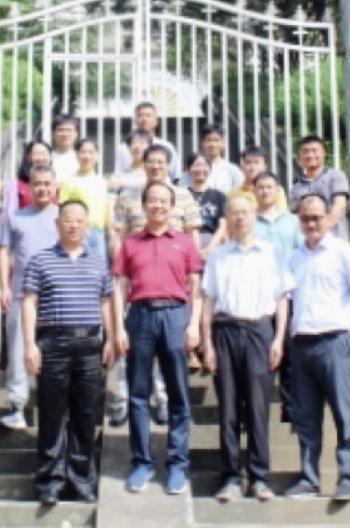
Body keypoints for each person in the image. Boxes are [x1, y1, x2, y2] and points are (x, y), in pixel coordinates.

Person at [22, 200, 117, 505]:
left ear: (87, 226)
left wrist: (112, 339)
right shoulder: (40, 260)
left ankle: (81, 480)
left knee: (85, 414)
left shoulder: (98, 262)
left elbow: (106, 303)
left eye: (79, 221)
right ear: (58, 223)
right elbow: (28, 304)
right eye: (68, 220)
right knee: (51, 413)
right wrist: (29, 344)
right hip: (53, 343)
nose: (73, 225)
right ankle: (50, 481)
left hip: (89, 345)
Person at [112, 182, 203, 496]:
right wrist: (119, 329)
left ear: (172, 206)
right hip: (139, 315)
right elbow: (120, 287)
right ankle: (142, 462)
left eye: (164, 201)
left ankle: (177, 464)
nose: (158, 206)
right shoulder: (131, 244)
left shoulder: (185, 242)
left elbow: (196, 287)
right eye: (153, 200)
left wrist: (193, 326)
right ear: (144, 204)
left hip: (175, 315)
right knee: (139, 394)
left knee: (178, 393)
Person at [201, 195, 292, 503]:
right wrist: (207, 345)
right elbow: (208, 301)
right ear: (226, 218)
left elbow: (282, 299)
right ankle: (229, 477)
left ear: (254, 216)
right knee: (227, 408)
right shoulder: (218, 256)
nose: (240, 218)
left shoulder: (272, 253)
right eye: (234, 213)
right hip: (225, 331)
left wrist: (279, 339)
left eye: (245, 212)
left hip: (259, 332)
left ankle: (259, 477)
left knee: (257, 407)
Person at [284, 195, 350, 503]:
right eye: (305, 218)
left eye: (317, 217)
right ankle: (309, 479)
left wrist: (346, 320)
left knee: (343, 414)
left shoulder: (344, 252)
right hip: (301, 344)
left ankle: (347, 477)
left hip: (334, 341)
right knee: (306, 418)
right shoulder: (294, 257)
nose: (311, 223)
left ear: (328, 219)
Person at [108, 145, 202, 427]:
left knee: (169, 354)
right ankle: (123, 401)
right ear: (143, 163)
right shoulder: (128, 196)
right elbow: (118, 234)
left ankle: (162, 400)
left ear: (169, 165)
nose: (156, 167)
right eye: (151, 162)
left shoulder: (182, 195)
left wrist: (189, 274)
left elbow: (192, 238)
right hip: (136, 275)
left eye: (161, 162)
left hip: (172, 279)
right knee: (130, 353)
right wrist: (120, 263)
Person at [0, 164, 60, 431]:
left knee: (55, 355)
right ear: (29, 187)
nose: (42, 188)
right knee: (19, 350)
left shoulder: (64, 216)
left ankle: (54, 410)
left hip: (57, 298)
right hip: (22, 293)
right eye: (37, 184)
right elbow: (3, 252)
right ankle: (17, 405)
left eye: (47, 183)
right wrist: (4, 286)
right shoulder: (15, 218)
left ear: (55, 187)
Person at [253, 170, 302, 423]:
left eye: (269, 187)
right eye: (260, 187)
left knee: (290, 355)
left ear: (278, 191)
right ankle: (256, 412)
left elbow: (301, 255)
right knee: (261, 356)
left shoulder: (292, 222)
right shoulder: (248, 221)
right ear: (254, 192)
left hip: (288, 295)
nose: (265, 192)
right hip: (257, 300)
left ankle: (290, 409)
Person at [288, 135, 350, 240]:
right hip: (308, 245)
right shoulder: (296, 187)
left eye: (314, 150)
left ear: (324, 153)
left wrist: (322, 228)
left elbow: (340, 205)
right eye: (305, 151)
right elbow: (294, 218)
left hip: (335, 241)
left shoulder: (335, 176)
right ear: (300, 156)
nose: (310, 155)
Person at [59, 138, 109, 254]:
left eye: (91, 152)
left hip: (100, 232)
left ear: (97, 156)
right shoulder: (68, 181)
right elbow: (63, 210)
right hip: (78, 231)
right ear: (76, 155)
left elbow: (106, 210)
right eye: (83, 152)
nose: (87, 156)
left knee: (99, 268)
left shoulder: (102, 182)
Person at [114, 101, 181, 180]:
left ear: (156, 121)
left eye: (148, 116)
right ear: (135, 121)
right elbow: (118, 176)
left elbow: (175, 176)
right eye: (140, 116)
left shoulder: (166, 146)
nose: (144, 119)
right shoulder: (123, 148)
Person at [182, 151, 227, 255]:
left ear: (210, 169)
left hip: (213, 241)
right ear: (188, 170)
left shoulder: (219, 196)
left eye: (205, 165)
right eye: (196, 165)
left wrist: (210, 248)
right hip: (187, 243)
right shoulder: (181, 194)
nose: (201, 169)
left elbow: (222, 226)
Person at [199, 123, 243, 193]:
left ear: (223, 143)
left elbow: (239, 194)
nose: (212, 144)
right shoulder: (195, 169)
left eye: (216, 140)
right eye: (208, 140)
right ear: (202, 143)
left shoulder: (233, 170)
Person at [109, 129, 153, 195]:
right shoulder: (119, 175)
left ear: (150, 147)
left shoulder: (155, 173)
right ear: (128, 148)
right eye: (134, 142)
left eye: (142, 142)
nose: (137, 146)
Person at [50, 114, 81, 182]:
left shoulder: (82, 158)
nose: (65, 134)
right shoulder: (46, 158)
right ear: (53, 133)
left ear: (76, 134)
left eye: (69, 130)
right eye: (61, 130)